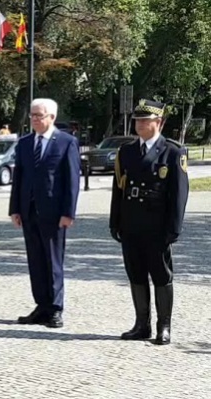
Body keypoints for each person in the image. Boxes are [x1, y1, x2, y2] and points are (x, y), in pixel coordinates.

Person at [109, 99, 188, 345]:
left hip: (157, 226)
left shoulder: (173, 152)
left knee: (161, 275)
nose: (140, 124)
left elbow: (179, 194)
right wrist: (115, 221)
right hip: (132, 223)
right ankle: (140, 324)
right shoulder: (127, 151)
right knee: (136, 274)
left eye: (145, 120)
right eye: (138, 120)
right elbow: (118, 189)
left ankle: (163, 326)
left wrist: (173, 229)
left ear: (159, 122)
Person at [8, 98, 80, 329]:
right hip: (29, 211)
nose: (34, 119)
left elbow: (72, 180)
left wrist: (68, 212)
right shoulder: (25, 143)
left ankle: (55, 308)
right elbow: (18, 178)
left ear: (52, 117)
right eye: (32, 115)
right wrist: (15, 209)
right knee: (36, 261)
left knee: (53, 261)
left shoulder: (66, 142)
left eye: (39, 115)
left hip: (53, 212)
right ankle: (41, 305)